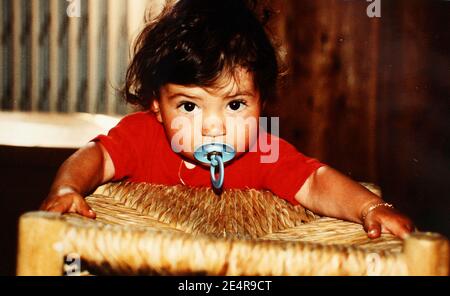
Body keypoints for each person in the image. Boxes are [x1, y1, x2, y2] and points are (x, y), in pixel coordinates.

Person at [40, 0, 413, 239]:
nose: (214, 127)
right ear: (156, 104)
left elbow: (314, 182)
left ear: (262, 103)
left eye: (235, 106)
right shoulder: (143, 135)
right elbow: (96, 155)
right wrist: (66, 188)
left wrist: (370, 207)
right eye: (189, 106)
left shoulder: (262, 148)